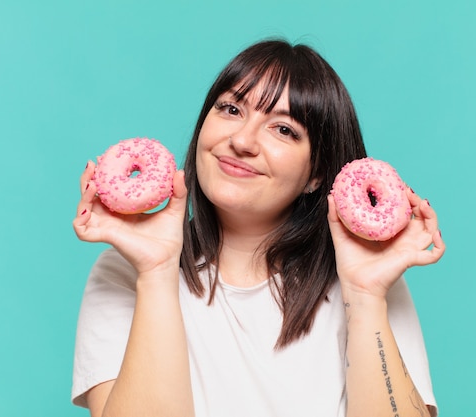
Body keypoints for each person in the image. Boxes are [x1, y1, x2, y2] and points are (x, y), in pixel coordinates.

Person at [71, 39, 445, 417]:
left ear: (316, 174)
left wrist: (365, 298)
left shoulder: (367, 280)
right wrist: (155, 273)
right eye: (231, 109)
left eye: (283, 129)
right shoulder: (124, 271)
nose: (242, 141)